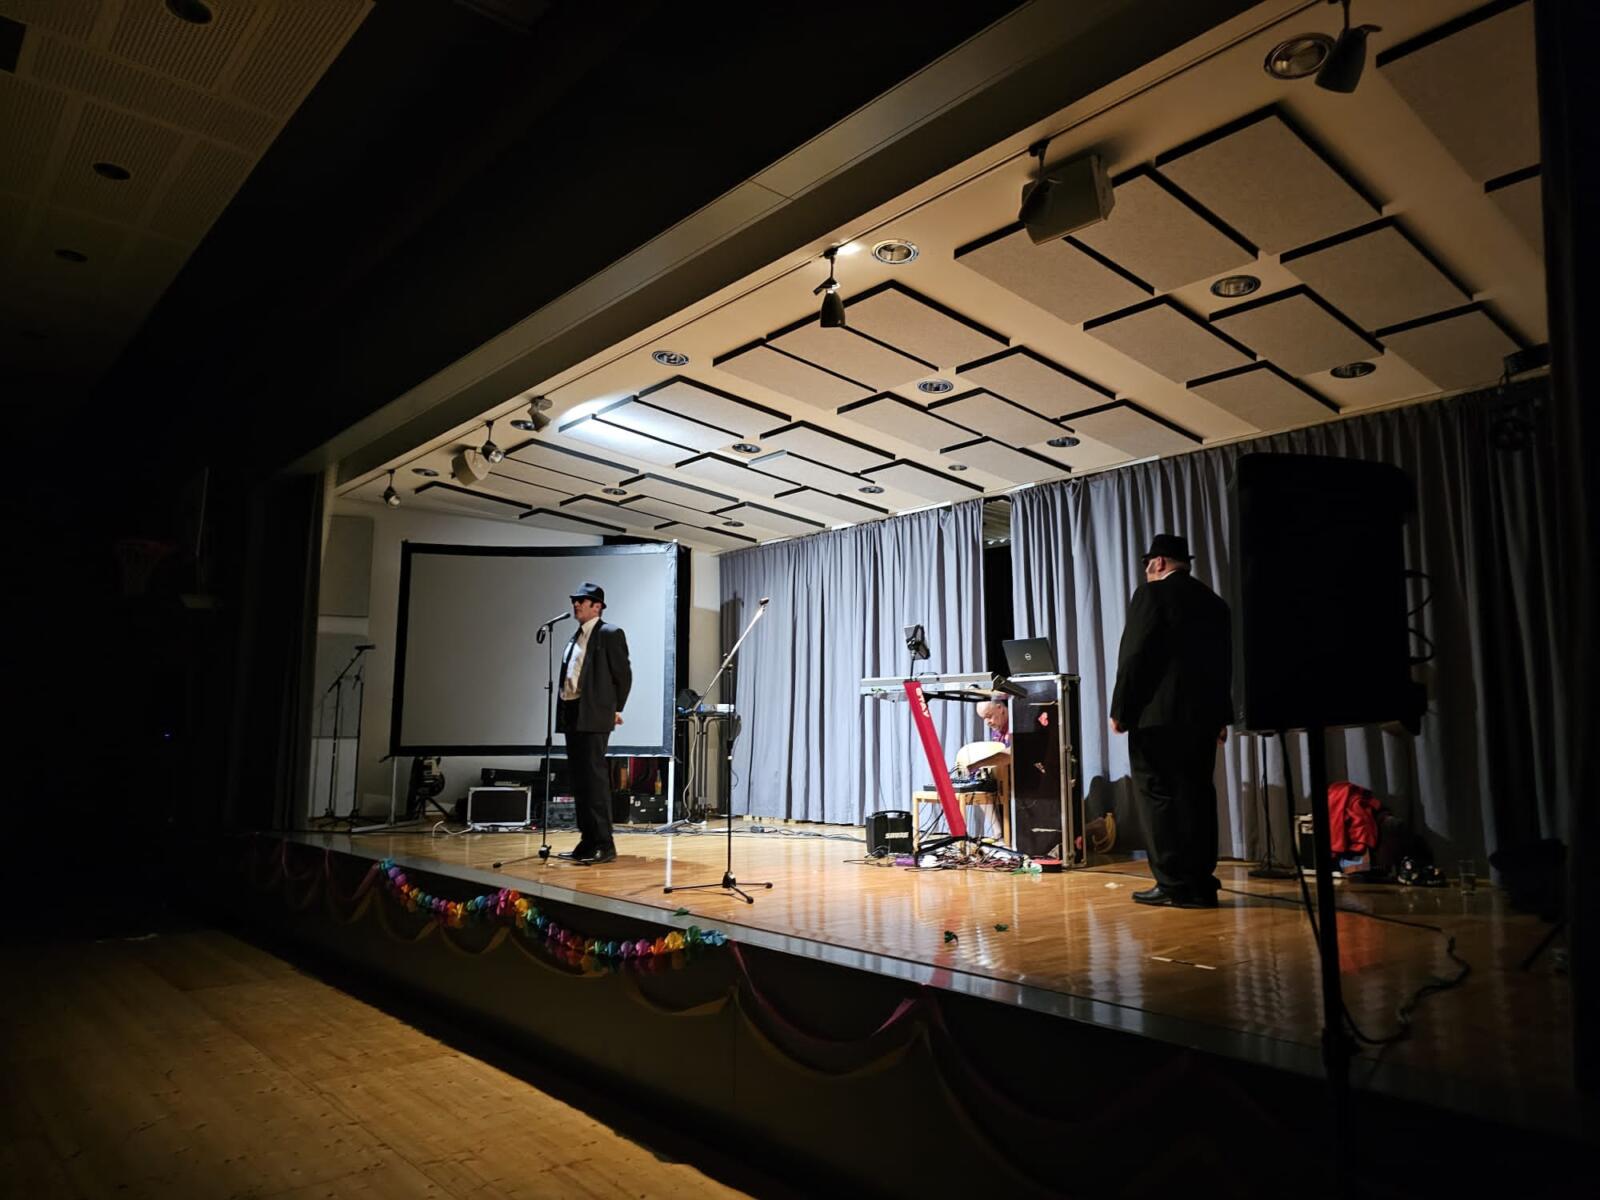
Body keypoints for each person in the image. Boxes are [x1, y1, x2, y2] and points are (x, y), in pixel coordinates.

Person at [1110, 533, 1232, 908]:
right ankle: (1200, 884)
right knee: (1197, 797)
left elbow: (1135, 656)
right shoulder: (1214, 603)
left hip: (1156, 720)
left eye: (1148, 564)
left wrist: (1121, 710)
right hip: (1202, 719)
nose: (1146, 570)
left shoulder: (1151, 595)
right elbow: (1224, 665)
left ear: (1159, 562)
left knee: (1159, 798)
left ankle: (1173, 883)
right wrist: (1221, 717)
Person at [555, 582, 632, 865]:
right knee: (580, 781)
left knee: (595, 781)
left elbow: (623, 675)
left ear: (596, 606)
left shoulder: (609, 633)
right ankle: (587, 841)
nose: (576, 604)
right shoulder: (575, 636)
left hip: (594, 714)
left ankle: (604, 843)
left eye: (582, 601)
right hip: (573, 712)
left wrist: (615, 708)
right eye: (574, 600)